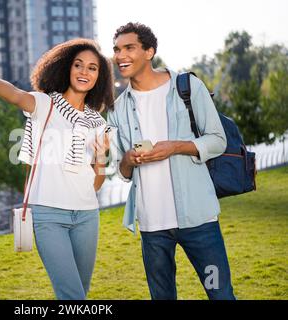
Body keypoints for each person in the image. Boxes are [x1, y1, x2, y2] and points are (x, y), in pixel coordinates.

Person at [0, 38, 114, 300]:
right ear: (67, 68)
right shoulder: (46, 105)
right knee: (72, 296)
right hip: (49, 216)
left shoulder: (97, 121)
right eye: (78, 65)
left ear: (98, 77)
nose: (84, 72)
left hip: (88, 216)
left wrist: (101, 157)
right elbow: (15, 94)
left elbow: (97, 181)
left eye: (92, 68)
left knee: (81, 292)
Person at [107, 22, 236, 300]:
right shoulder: (117, 109)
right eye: (117, 49)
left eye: (129, 48)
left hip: (199, 221)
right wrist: (128, 159)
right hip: (152, 227)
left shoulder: (187, 87)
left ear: (149, 51)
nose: (120, 55)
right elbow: (122, 171)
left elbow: (217, 140)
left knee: (221, 294)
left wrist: (175, 147)